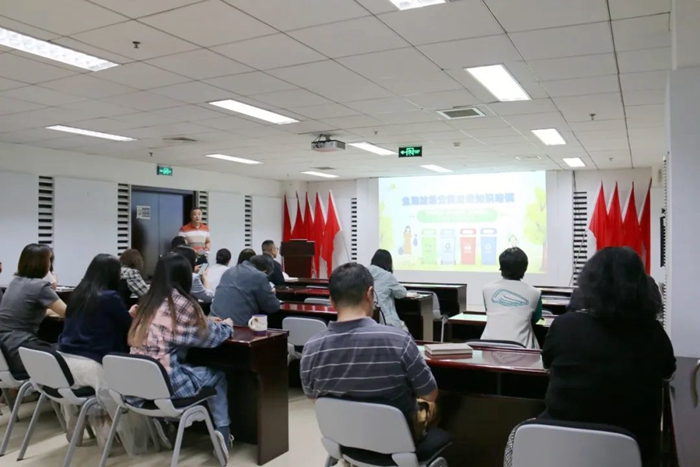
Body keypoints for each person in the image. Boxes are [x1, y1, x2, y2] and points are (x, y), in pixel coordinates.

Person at [505, 247, 675, 467]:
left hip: (559, 446)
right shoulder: (653, 332)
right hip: (631, 450)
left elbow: (547, 364)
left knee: (516, 436)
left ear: (589, 284)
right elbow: (668, 373)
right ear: (641, 286)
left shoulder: (564, 325)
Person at [301, 263, 438, 441]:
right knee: (432, 405)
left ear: (331, 301)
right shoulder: (399, 340)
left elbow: (316, 400)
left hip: (344, 441)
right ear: (370, 294)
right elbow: (430, 393)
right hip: (396, 441)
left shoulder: (311, 348)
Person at [129, 253, 234, 459]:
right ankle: (223, 431)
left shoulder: (147, 301)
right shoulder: (180, 302)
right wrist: (227, 326)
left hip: (137, 386)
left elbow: (174, 328)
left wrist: (204, 321)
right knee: (218, 376)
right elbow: (210, 338)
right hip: (166, 384)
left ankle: (163, 423)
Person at [58, 254, 149, 453]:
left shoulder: (79, 293)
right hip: (94, 364)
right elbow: (128, 327)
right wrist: (132, 315)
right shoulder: (109, 297)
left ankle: (85, 423)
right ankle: (111, 430)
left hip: (66, 361)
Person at [0, 244, 66, 374]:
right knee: (68, 353)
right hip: (21, 350)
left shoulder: (15, 282)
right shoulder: (40, 286)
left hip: (5, 350)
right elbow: (69, 313)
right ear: (43, 263)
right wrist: (53, 282)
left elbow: (28, 311)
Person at [481, 247, 542, 349]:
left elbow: (489, 311)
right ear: (525, 268)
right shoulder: (535, 293)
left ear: (501, 267)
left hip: (488, 347)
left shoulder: (487, 289)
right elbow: (535, 318)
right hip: (522, 350)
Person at [211, 254, 280, 326]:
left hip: (212, 323)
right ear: (264, 271)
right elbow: (272, 307)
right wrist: (271, 294)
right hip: (236, 326)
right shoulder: (259, 276)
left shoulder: (228, 271)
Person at [368, 249, 408, 329]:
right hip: (386, 321)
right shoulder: (387, 276)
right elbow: (402, 293)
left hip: (369, 320)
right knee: (404, 329)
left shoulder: (364, 273)